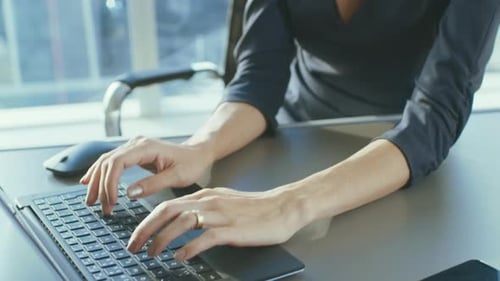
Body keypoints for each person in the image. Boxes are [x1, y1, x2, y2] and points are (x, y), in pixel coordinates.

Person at [81, 0, 499, 262]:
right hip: (297, 135)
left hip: (402, 159)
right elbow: (259, 77)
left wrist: (287, 205)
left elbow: (434, 116)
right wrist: (200, 147)